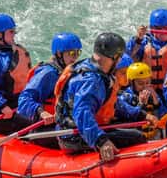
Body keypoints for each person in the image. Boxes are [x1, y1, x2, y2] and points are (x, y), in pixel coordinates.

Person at [54, 32, 158, 161]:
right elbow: (82, 113)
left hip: (83, 130)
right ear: (113, 57)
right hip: (74, 136)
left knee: (130, 126)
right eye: (119, 57)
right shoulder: (91, 80)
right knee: (137, 137)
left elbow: (115, 104)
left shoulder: (97, 71)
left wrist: (141, 114)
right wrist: (101, 141)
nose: (120, 60)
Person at [17, 32, 82, 124]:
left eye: (78, 52)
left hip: (63, 120)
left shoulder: (70, 71)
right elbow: (24, 99)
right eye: (72, 53)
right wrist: (41, 112)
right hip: (43, 124)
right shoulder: (48, 73)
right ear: (59, 54)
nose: (76, 57)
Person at [126, 8, 167, 89]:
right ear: (152, 28)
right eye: (158, 28)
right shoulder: (143, 41)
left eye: (166, 28)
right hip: (145, 87)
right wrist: (138, 39)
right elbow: (127, 57)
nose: (162, 31)